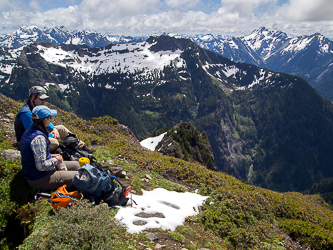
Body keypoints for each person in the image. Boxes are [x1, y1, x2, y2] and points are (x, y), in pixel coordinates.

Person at [14, 86, 95, 153]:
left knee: (61, 128)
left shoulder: (35, 109)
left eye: (45, 99)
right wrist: (51, 135)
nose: (44, 102)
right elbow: (34, 134)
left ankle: (83, 146)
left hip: (37, 136)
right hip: (28, 142)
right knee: (54, 142)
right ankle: (64, 151)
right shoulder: (26, 113)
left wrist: (54, 129)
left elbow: (44, 123)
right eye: (41, 99)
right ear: (33, 97)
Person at [20, 105, 81, 191]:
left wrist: (52, 155)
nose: (51, 119)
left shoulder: (31, 131)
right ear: (45, 120)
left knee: (77, 165)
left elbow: (36, 156)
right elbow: (41, 166)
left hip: (37, 172)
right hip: (40, 178)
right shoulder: (39, 138)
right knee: (79, 175)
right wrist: (56, 160)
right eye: (50, 118)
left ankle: (69, 181)